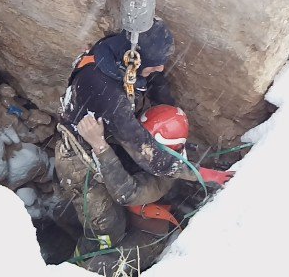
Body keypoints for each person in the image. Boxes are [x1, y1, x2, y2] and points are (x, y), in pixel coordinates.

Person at [54, 18, 233, 275]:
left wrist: (170, 110)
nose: (160, 67)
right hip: (79, 161)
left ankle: (74, 220)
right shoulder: (109, 95)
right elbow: (145, 158)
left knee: (109, 207)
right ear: (135, 60)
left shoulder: (121, 54)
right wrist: (200, 174)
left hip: (102, 142)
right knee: (107, 229)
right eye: (154, 64)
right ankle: (80, 264)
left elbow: (156, 81)